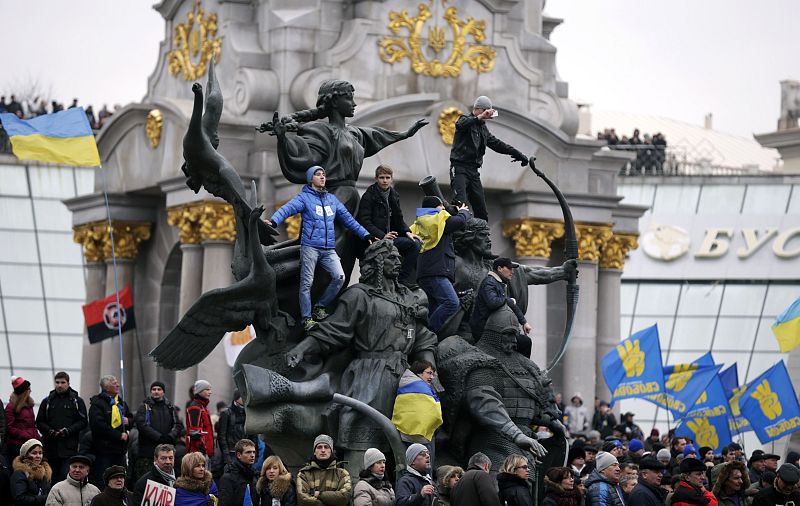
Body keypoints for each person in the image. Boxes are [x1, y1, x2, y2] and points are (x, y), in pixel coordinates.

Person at [285, 240, 437, 466]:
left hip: (405, 380)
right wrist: (302, 348)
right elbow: (334, 329)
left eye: (398, 257)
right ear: (376, 262)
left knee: (410, 447)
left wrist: (429, 372)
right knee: (364, 439)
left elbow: (424, 337)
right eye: (390, 257)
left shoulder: (408, 297)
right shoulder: (359, 295)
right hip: (369, 376)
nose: (397, 261)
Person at [267, 165, 373, 331]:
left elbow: (349, 220)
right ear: (311, 179)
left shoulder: (332, 199)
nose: (322, 177)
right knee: (306, 284)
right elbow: (287, 209)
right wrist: (273, 221)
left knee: (339, 277)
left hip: (328, 249)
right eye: (318, 175)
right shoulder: (304, 198)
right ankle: (307, 318)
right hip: (310, 248)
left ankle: (320, 306)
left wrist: (366, 235)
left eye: (323, 174)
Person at [448, 95, 528, 221]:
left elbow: (497, 144)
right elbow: (460, 125)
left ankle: (481, 237)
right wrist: (479, 117)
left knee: (481, 211)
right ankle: (455, 232)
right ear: (480, 110)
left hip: (473, 172)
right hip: (459, 168)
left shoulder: (482, 128)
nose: (488, 116)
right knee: (459, 204)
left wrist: (517, 153)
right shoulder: (465, 120)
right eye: (486, 112)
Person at [410, 195, 471, 333]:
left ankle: (424, 334)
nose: (443, 209)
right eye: (441, 206)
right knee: (452, 303)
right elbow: (460, 221)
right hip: (436, 272)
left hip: (424, 273)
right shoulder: (437, 221)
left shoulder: (420, 223)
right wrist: (463, 211)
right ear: (435, 207)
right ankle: (428, 333)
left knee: (433, 308)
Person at [355, 164, 421, 287]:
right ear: (376, 179)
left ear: (392, 179)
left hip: (390, 239)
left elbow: (398, 218)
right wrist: (382, 235)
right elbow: (364, 221)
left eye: (387, 177)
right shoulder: (369, 196)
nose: (385, 181)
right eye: (381, 177)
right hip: (373, 241)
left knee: (415, 243)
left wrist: (407, 232)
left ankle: (403, 279)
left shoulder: (394, 195)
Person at [35, 372, 87, 484]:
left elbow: (83, 422)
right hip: (50, 448)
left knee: (65, 479)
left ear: (68, 383)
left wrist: (68, 431)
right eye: (57, 382)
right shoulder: (47, 401)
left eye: (63, 382)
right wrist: (50, 431)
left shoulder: (77, 401)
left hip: (69, 449)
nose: (59, 385)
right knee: (49, 480)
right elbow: (39, 422)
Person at [469, 257, 530, 340]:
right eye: (509, 268)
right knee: (525, 342)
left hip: (493, 327)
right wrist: (509, 300)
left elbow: (511, 304)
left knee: (524, 341)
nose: (512, 272)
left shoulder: (498, 283)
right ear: (499, 268)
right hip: (484, 331)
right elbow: (493, 303)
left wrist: (524, 323)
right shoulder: (489, 282)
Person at [87, 375, 132, 488]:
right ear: (106, 387)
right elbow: (98, 426)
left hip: (120, 450)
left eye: (117, 382)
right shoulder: (97, 403)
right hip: (104, 450)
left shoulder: (121, 403)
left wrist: (128, 421)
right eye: (114, 383)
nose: (117, 385)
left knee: (120, 480)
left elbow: (131, 419)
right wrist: (118, 435)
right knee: (103, 481)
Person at [391, 360, 443, 455]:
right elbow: (430, 410)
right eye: (429, 373)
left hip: (404, 431)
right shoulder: (420, 387)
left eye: (433, 374)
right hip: (418, 435)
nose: (431, 377)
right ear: (419, 372)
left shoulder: (406, 383)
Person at [133, 381, 181, 480]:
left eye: (159, 389)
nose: (156, 392)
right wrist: (158, 437)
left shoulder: (170, 407)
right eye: (154, 389)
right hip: (148, 452)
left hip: (166, 452)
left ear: (163, 392)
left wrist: (170, 436)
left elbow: (177, 424)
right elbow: (142, 425)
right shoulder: (144, 407)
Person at [296, 434, 351, 506]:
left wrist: (319, 494)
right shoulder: (304, 474)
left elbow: (343, 498)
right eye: (319, 447)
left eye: (326, 447)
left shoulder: (342, 473)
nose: (323, 450)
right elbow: (303, 499)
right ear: (314, 452)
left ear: (331, 451)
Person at [6, 377, 40, 463]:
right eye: (28, 389)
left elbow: (32, 425)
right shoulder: (11, 406)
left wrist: (37, 437)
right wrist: (26, 435)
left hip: (30, 444)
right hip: (17, 445)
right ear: (23, 391)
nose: (30, 391)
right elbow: (9, 427)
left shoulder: (29, 405)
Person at [11, 439, 52, 505]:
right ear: (26, 455)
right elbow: (20, 498)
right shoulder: (19, 473)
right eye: (34, 453)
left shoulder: (45, 472)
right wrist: (47, 498)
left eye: (40, 453)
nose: (38, 456)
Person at [218, 439, 258, 506]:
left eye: (254, 452)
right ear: (239, 455)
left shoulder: (254, 475)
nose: (252, 455)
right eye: (248, 452)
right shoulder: (228, 478)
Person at [217, 391, 251, 466]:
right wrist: (226, 455)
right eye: (242, 396)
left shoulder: (248, 412)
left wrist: (255, 453)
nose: (244, 398)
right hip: (231, 452)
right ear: (236, 399)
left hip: (245, 450)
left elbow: (252, 433)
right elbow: (222, 436)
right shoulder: (226, 413)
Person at [185, 380, 214, 458]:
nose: (210, 392)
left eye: (210, 389)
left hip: (205, 451)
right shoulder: (195, 407)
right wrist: (202, 450)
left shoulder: (203, 407)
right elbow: (195, 432)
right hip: (198, 452)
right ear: (199, 391)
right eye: (207, 389)